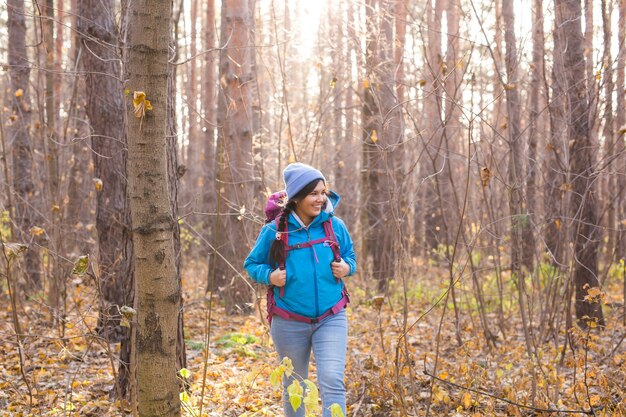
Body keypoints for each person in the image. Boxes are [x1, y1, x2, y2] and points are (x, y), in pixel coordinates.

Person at [244, 162, 357, 417]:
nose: (320, 199)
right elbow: (251, 264)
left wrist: (347, 267)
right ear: (296, 198)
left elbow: (350, 255)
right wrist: (270, 276)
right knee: (295, 387)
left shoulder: (334, 226)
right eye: (313, 194)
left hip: (331, 316)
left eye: (323, 192)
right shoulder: (274, 231)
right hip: (289, 320)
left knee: (332, 381)